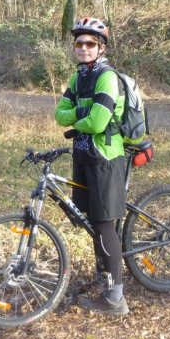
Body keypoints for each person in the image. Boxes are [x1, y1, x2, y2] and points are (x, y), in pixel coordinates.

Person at [55, 17, 129, 316]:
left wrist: (78, 117)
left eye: (89, 43)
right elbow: (59, 115)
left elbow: (98, 123)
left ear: (101, 48)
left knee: (103, 223)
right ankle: (105, 274)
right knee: (89, 218)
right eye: (78, 43)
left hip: (105, 158)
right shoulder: (78, 77)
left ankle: (115, 299)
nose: (83, 48)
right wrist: (80, 117)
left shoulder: (107, 77)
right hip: (83, 154)